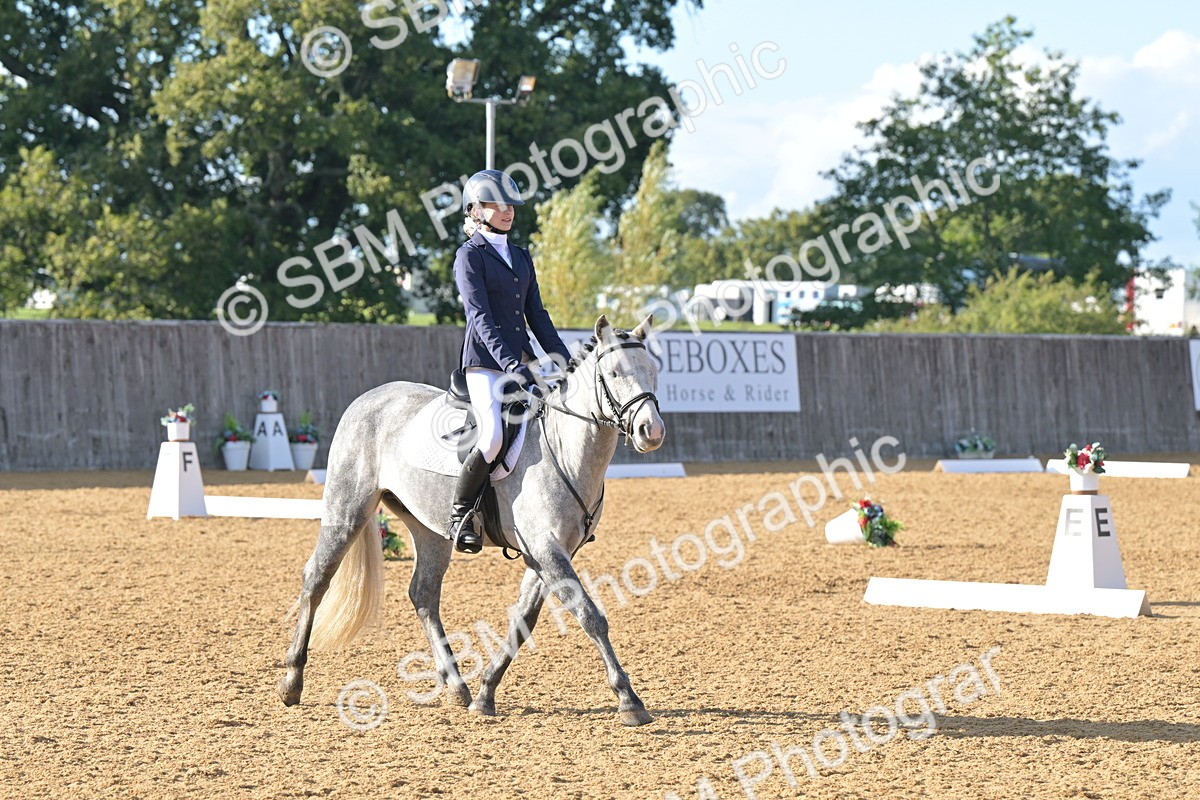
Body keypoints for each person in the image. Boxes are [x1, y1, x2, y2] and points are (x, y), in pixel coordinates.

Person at [448, 169, 572, 554]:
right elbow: (479, 317)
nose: (507, 212)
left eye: (511, 206)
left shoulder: (520, 256)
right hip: (485, 363)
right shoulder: (470, 256)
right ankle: (461, 513)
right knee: (492, 437)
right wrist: (509, 363)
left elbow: (537, 314)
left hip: (521, 360)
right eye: (496, 205)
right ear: (475, 210)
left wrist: (565, 360)